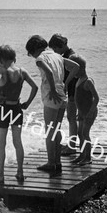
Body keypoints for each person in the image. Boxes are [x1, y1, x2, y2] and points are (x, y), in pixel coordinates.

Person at [26, 35, 79, 175]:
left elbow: (48, 71)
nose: (31, 56)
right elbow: (75, 67)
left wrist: (54, 90)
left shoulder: (40, 58)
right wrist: (64, 84)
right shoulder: (58, 56)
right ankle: (57, 162)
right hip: (63, 98)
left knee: (50, 131)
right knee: (57, 129)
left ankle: (51, 163)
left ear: (35, 49)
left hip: (52, 98)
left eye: (30, 53)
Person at [0, 45, 38, 184]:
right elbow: (35, 87)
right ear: (14, 58)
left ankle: (0, 175)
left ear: (0, 60)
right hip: (16, 109)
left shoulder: (1, 70)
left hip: (4, 109)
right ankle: (20, 172)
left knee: (1, 143)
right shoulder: (22, 71)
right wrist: (27, 103)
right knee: (17, 142)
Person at [48, 34, 86, 154]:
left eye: (56, 49)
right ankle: (72, 144)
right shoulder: (68, 55)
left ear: (62, 45)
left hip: (74, 91)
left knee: (71, 118)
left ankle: (72, 146)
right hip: (73, 90)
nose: (55, 52)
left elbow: (74, 75)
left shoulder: (71, 57)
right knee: (72, 118)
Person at [72, 59, 99, 166]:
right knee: (80, 133)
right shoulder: (79, 80)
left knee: (85, 133)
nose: (72, 72)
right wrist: (79, 111)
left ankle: (88, 157)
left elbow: (96, 98)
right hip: (82, 111)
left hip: (89, 111)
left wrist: (90, 112)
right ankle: (82, 154)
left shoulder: (88, 81)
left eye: (74, 70)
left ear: (81, 69)